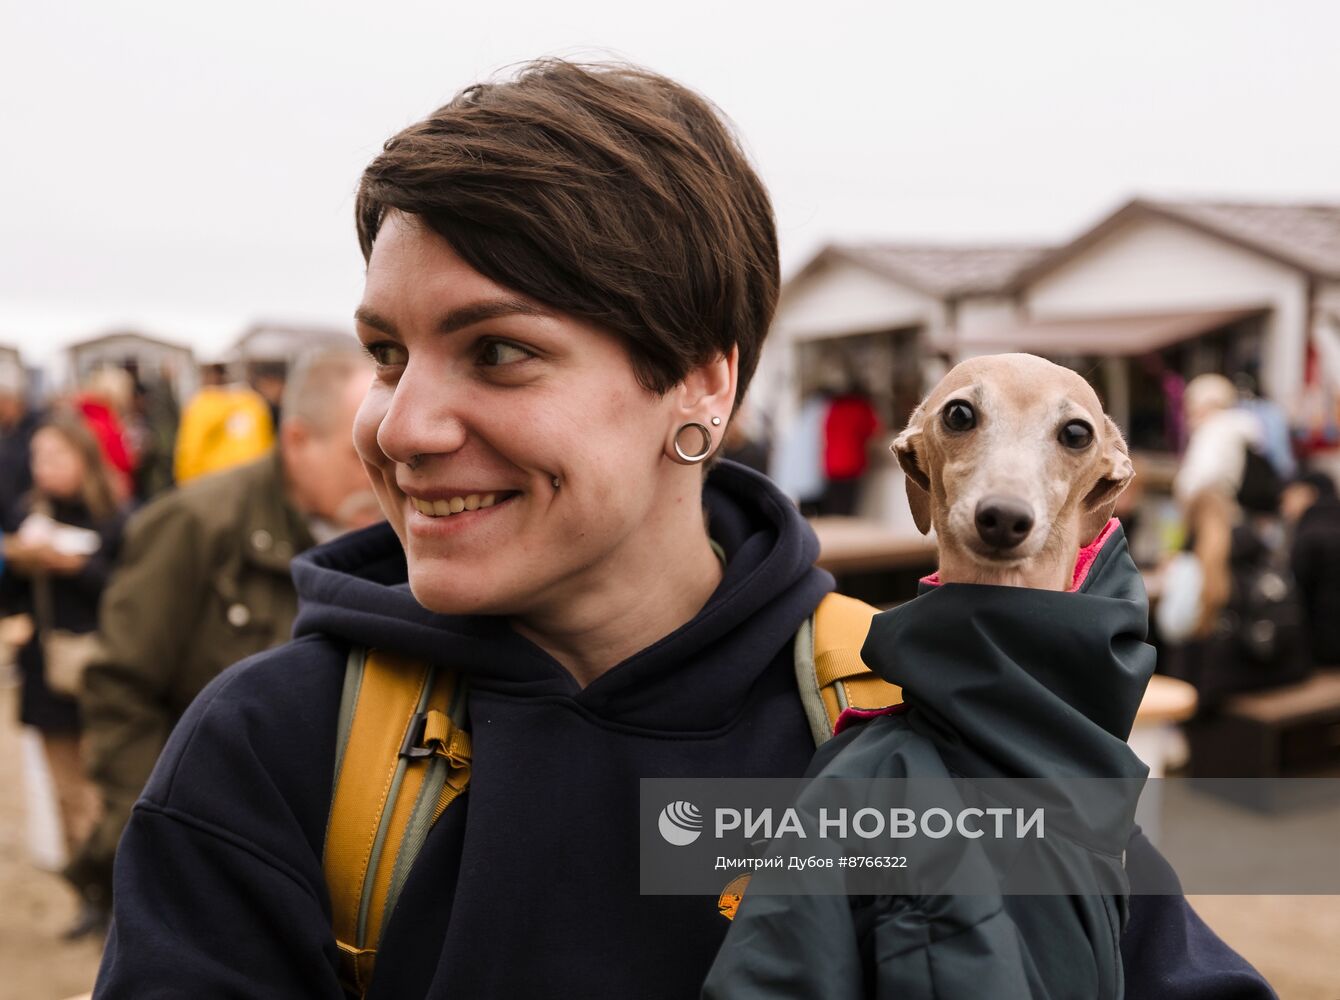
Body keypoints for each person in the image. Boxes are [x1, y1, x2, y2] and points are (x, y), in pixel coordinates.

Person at [95, 60, 1272, 998]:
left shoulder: (920, 719)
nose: (398, 427)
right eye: (387, 355)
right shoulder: (277, 750)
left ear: (702, 384)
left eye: (497, 351)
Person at [70, 348, 380, 924]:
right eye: (359, 457)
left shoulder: (396, 535)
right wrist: (157, 837)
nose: (383, 477)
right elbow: (120, 686)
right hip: (205, 854)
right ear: (296, 441)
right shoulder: (195, 526)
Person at [0, 414, 127, 929]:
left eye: (55, 457)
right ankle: (89, 896)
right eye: (38, 457)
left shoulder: (117, 517)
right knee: (66, 791)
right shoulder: (28, 514)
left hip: (105, 670)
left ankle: (120, 892)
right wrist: (19, 570)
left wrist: (76, 567)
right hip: (46, 669)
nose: (44, 468)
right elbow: (11, 598)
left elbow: (130, 592)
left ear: (84, 459)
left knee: (106, 790)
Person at [1284, 469, 1340, 666]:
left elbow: (1296, 595)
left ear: (1310, 494)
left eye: (1290, 495)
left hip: (1326, 650)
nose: (1284, 504)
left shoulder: (1309, 535)